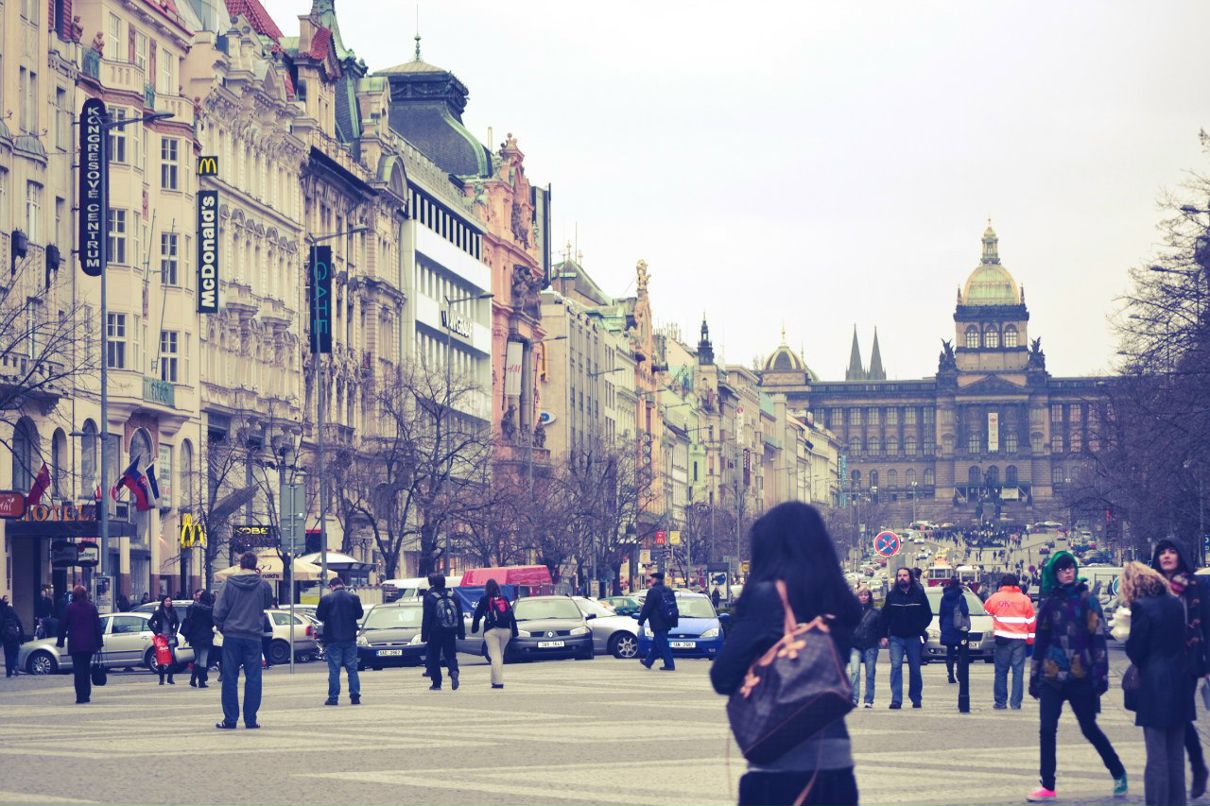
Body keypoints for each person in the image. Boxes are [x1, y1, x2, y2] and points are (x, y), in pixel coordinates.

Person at [710, 502, 861, 806]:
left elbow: (723, 676)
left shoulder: (769, 596)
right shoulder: (838, 598)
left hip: (781, 764)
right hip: (836, 762)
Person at [1027, 551, 1127, 802]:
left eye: (1070, 567)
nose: (1068, 572)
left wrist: (1101, 675)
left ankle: (1118, 772)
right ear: (1055, 574)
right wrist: (1034, 674)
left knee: (1089, 728)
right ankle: (1047, 785)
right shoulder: (1049, 602)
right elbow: (1040, 640)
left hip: (1080, 674)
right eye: (1062, 569)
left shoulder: (1087, 599)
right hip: (1051, 675)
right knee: (1047, 730)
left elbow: (1098, 639)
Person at [1122, 561, 1194, 806]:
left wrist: (1125, 635)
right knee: (1175, 756)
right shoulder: (1174, 603)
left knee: (1156, 759)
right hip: (1179, 684)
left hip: (1154, 686)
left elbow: (1137, 651)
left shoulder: (1142, 607)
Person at [1150, 538, 1210, 799]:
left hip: (1188, 659)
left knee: (1181, 714)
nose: (1166, 556)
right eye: (1162, 552)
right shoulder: (1153, 588)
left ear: (1180, 555)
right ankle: (1196, 767)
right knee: (1179, 716)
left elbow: (1206, 624)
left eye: (1172, 551)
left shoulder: (1196, 586)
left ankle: (1196, 766)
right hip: (1161, 662)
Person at [213, 551, 274, 729]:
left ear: (240, 564)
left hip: (232, 636)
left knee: (230, 678)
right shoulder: (263, 585)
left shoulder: (228, 583)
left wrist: (224, 627)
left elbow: (218, 612)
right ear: (256, 565)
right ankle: (251, 719)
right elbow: (267, 603)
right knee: (254, 678)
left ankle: (230, 719)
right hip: (254, 636)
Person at [881, 566, 932, 709]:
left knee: (915, 668)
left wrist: (918, 627)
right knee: (896, 667)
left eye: (905, 575)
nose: (902, 578)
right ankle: (896, 699)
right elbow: (885, 617)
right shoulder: (892, 595)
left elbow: (927, 615)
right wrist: (884, 635)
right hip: (896, 637)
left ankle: (916, 698)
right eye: (899, 576)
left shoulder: (919, 594)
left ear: (910, 577)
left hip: (914, 637)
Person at [983, 572, 1035, 710]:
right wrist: (1030, 641)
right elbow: (1031, 622)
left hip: (1002, 639)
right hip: (1020, 640)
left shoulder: (996, 598)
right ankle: (1016, 703)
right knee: (1018, 672)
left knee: (1001, 671)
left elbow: (986, 609)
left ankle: (1000, 702)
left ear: (1002, 584)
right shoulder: (1025, 600)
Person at [316, 576, 363, 705]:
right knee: (352, 668)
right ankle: (355, 696)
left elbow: (319, 616)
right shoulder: (353, 598)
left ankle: (333, 697)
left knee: (334, 670)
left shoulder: (326, 599)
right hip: (350, 638)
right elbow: (360, 615)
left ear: (331, 587)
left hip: (333, 639)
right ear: (343, 585)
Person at [56, 586, 103, 704]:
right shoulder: (92, 607)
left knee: (78, 670)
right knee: (86, 669)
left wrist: (60, 641)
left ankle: (80, 696)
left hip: (75, 644)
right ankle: (86, 694)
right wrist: (99, 642)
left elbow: (63, 625)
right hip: (89, 644)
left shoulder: (70, 608)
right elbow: (97, 626)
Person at [472, 578, 518, 689]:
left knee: (495, 656)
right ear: (498, 588)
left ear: (486, 588)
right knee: (499, 655)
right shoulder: (505, 599)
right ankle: (494, 679)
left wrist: (475, 627)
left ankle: (498, 682)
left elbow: (477, 614)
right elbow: (511, 616)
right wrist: (514, 631)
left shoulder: (484, 599)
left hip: (491, 631)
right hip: (506, 631)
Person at [421, 574, 464, 691]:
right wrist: (461, 632)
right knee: (450, 654)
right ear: (445, 582)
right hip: (450, 630)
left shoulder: (431, 597)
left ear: (433, 583)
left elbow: (427, 618)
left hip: (435, 632)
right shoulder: (454, 596)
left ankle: (437, 683)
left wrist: (424, 635)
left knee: (434, 656)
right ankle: (454, 670)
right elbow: (459, 615)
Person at [637, 571, 677, 671]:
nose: (651, 581)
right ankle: (648, 661)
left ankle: (669, 664)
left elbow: (647, 607)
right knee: (657, 642)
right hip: (668, 619)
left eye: (652, 579)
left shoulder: (653, 591)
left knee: (662, 643)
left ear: (656, 580)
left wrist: (641, 620)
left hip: (658, 621)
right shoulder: (668, 590)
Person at [849, 586, 881, 708]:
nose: (863, 597)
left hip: (871, 645)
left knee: (870, 673)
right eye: (861, 594)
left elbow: (880, 627)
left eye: (866, 594)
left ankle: (869, 699)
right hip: (855, 645)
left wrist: (881, 638)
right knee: (855, 672)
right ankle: (854, 698)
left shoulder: (876, 611)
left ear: (870, 597)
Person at [181, 590, 215, 688]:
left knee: (198, 658)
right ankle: (201, 681)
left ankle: (193, 679)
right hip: (205, 636)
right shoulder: (209, 610)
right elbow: (212, 623)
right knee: (203, 658)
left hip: (194, 635)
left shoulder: (193, 607)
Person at [939, 578, 969, 685]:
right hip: (959, 626)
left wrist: (942, 626)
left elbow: (941, 614)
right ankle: (959, 672)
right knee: (961, 651)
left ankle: (950, 674)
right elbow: (965, 611)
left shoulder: (944, 598)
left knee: (950, 652)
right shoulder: (961, 597)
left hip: (947, 625)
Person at [147, 595, 180, 685]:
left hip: (170, 638)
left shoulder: (173, 611)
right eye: (166, 601)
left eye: (169, 601)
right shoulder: (158, 612)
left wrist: (174, 632)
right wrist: (157, 632)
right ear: (163, 602)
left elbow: (177, 622)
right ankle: (161, 679)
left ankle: (170, 678)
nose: (168, 602)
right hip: (161, 638)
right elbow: (150, 623)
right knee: (160, 658)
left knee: (172, 657)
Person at [1, 595, 25, 677]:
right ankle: (15, 665)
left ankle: (9, 672)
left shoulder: (3, 618)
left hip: (6, 640)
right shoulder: (15, 617)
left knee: (8, 655)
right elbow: (21, 627)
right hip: (15, 639)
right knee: (15, 654)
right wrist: (22, 639)